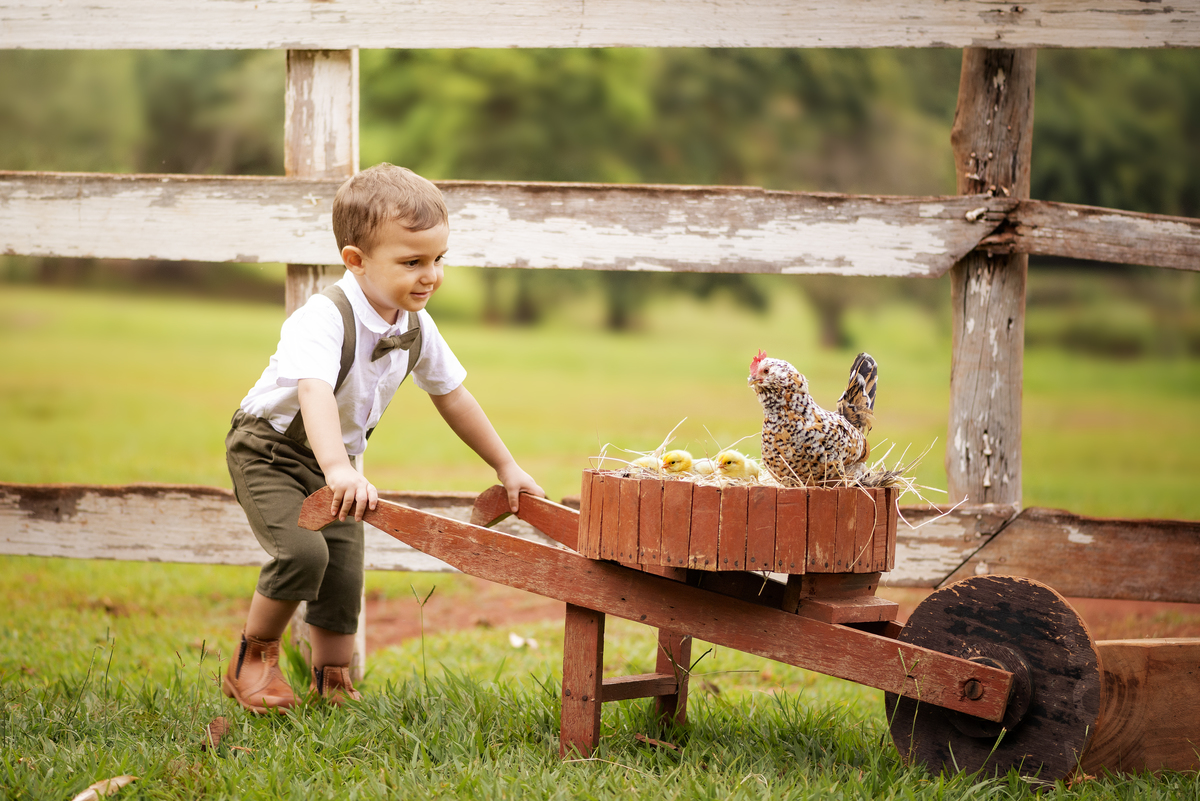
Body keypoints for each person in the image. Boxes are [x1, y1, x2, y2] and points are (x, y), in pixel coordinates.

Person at [222, 163, 544, 713]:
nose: (431, 275)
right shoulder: (323, 317)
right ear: (356, 260)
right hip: (272, 452)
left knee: (344, 570)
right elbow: (315, 392)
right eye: (412, 262)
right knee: (303, 554)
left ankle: (333, 680)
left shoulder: (416, 325)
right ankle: (253, 659)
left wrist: (506, 466)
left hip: (338, 459)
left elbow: (454, 396)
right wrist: (338, 469)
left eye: (438, 259)